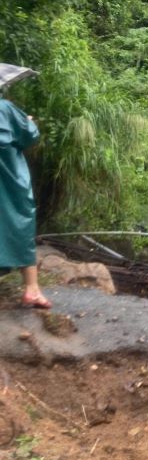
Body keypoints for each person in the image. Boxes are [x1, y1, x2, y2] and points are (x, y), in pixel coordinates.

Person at [0, 97, 50, 309]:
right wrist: (28, 121)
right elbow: (29, 135)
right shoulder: (4, 107)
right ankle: (32, 289)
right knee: (20, 224)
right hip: (9, 179)